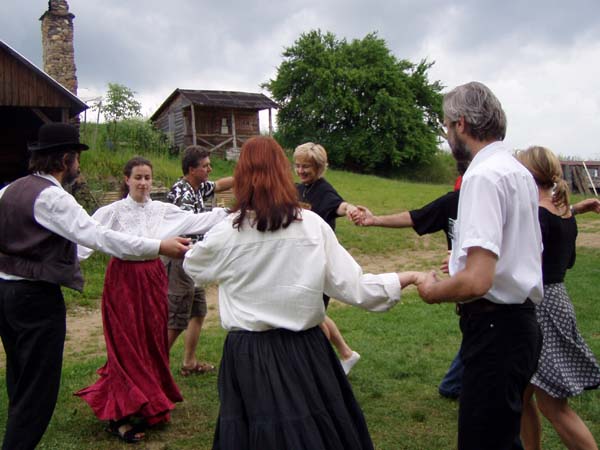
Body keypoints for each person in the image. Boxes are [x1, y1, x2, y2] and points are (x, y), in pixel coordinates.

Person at [182, 136, 426, 450]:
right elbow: (357, 288)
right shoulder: (310, 225)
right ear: (283, 174)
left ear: (242, 176)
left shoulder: (228, 231)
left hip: (261, 352)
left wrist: (190, 248)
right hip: (299, 350)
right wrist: (408, 276)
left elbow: (195, 268)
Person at [0, 123, 190, 450]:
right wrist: (158, 246)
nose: (78, 167)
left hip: (5, 294)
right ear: (64, 159)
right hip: (35, 298)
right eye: (76, 160)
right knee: (38, 388)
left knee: (20, 376)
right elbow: (98, 237)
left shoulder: (9, 189)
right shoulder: (53, 197)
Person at [417, 81, 544, 450]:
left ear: (460, 124)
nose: (445, 135)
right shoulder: (516, 170)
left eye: (444, 126)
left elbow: (477, 281)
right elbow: (517, 250)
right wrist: (461, 259)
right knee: (503, 438)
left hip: (495, 330)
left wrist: (432, 290)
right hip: (518, 325)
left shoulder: (482, 175)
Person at [74, 156, 228, 443]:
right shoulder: (112, 212)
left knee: (151, 341)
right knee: (126, 343)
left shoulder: (161, 210)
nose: (143, 183)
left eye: (147, 178)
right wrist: (62, 263)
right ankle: (119, 414)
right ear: (126, 179)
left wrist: (231, 213)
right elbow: (86, 239)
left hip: (154, 278)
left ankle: (146, 402)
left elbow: (195, 219)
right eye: (138, 178)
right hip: (123, 281)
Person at [351, 159, 469, 399]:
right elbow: (416, 217)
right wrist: (374, 220)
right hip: (466, 293)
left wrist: (462, 259)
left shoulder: (494, 203)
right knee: (473, 333)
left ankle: (461, 384)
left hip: (492, 293)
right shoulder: (453, 201)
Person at [516, 146, 600, 450]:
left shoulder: (536, 214)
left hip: (542, 310)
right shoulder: (563, 213)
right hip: (555, 301)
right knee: (522, 396)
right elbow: (566, 258)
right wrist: (578, 208)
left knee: (554, 407)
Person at [293, 142, 361, 374]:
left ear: (319, 168)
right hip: (299, 262)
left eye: (307, 167)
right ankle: (346, 354)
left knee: (311, 317)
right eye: (298, 165)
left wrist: (351, 209)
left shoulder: (324, 190)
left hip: (317, 263)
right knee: (315, 314)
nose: (301, 171)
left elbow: (339, 206)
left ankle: (319, 367)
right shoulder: (299, 188)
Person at [165, 145, 233, 376]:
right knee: (177, 318)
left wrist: (249, 173)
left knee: (198, 311)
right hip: (182, 259)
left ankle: (189, 362)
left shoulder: (198, 187)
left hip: (195, 260)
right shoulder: (182, 193)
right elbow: (186, 229)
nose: (210, 169)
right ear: (192, 169)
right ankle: (153, 367)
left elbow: (221, 184)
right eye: (205, 166)